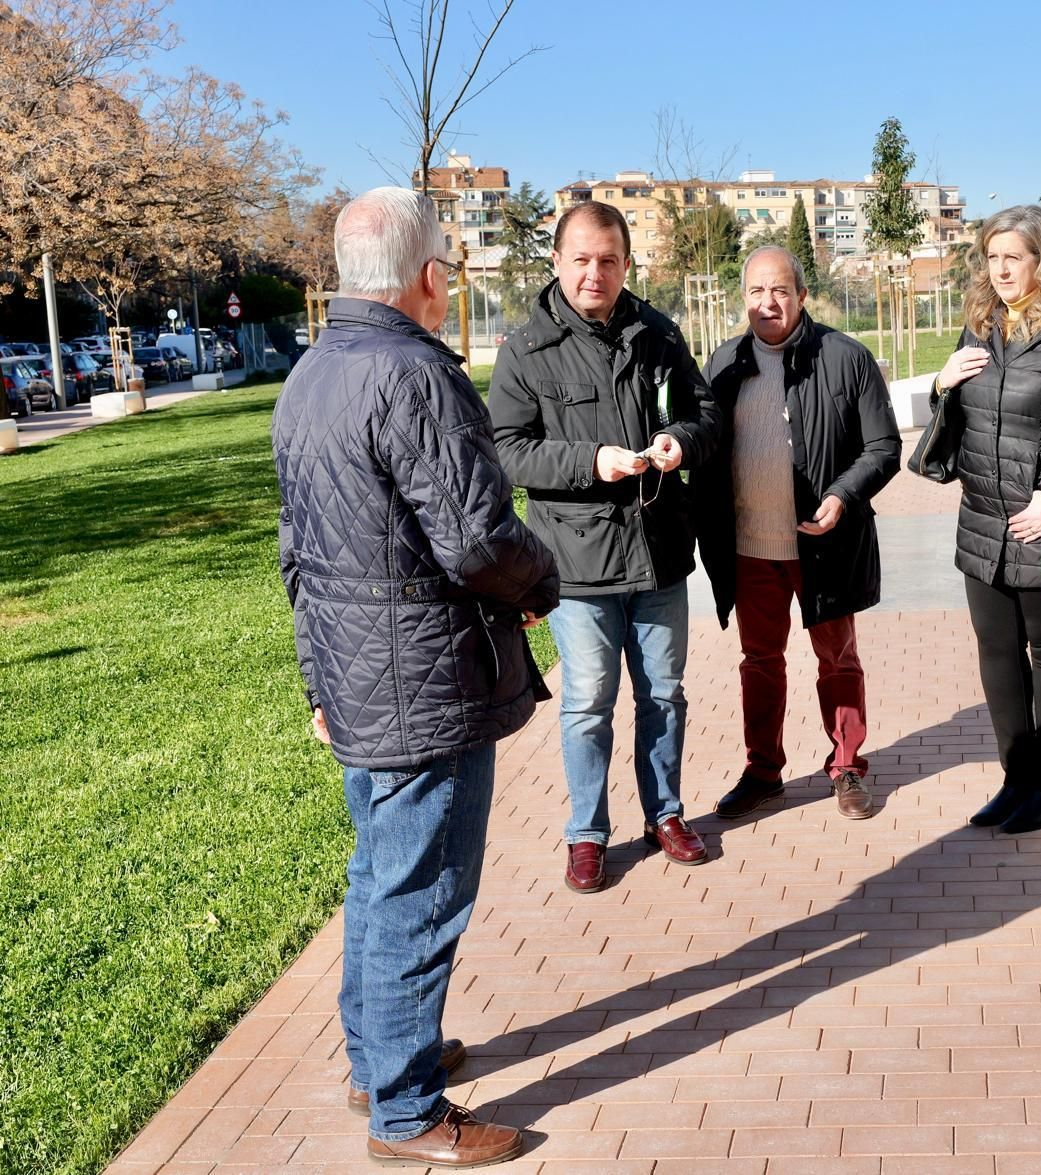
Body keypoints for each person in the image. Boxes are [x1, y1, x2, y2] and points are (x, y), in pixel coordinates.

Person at [273, 186, 559, 1167]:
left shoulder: (310, 374)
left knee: (380, 876)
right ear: (430, 275)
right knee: (421, 891)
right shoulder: (415, 375)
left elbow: (295, 555)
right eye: (450, 263)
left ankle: (378, 1060)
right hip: (424, 683)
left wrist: (318, 683)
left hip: (362, 677)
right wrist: (541, 582)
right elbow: (478, 538)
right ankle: (405, 1109)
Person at [488, 201, 721, 894]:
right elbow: (506, 450)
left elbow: (704, 413)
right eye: (582, 259)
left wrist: (680, 441)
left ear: (626, 264)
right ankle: (587, 833)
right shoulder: (526, 350)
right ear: (557, 262)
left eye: (609, 260)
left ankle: (665, 814)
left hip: (659, 553)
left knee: (665, 694)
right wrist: (591, 461)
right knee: (588, 701)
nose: (596, 272)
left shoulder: (659, 334)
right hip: (577, 564)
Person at [696, 246, 901, 821]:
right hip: (751, 549)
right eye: (757, 291)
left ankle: (847, 766)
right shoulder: (723, 364)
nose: (769, 302)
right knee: (760, 661)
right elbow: (704, 449)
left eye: (780, 290)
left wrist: (841, 495)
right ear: (743, 299)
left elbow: (884, 446)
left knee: (838, 660)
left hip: (824, 547)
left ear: (802, 296)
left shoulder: (846, 357)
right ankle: (763, 771)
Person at [935, 205, 1041, 835]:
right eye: (992, 257)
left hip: (1040, 520)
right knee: (997, 652)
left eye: (1014, 257)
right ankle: (1015, 778)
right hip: (982, 517)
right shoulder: (980, 325)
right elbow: (963, 419)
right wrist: (942, 383)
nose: (1001, 270)